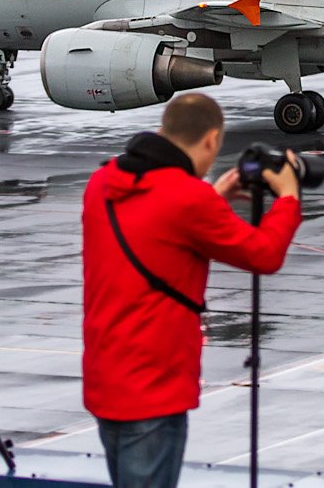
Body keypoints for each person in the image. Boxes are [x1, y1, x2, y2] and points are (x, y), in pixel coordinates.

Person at [81, 93, 303, 487]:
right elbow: (264, 254)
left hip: (105, 380)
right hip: (153, 387)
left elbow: (153, 228)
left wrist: (212, 199)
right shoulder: (188, 199)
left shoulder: (102, 184)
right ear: (212, 140)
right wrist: (287, 198)